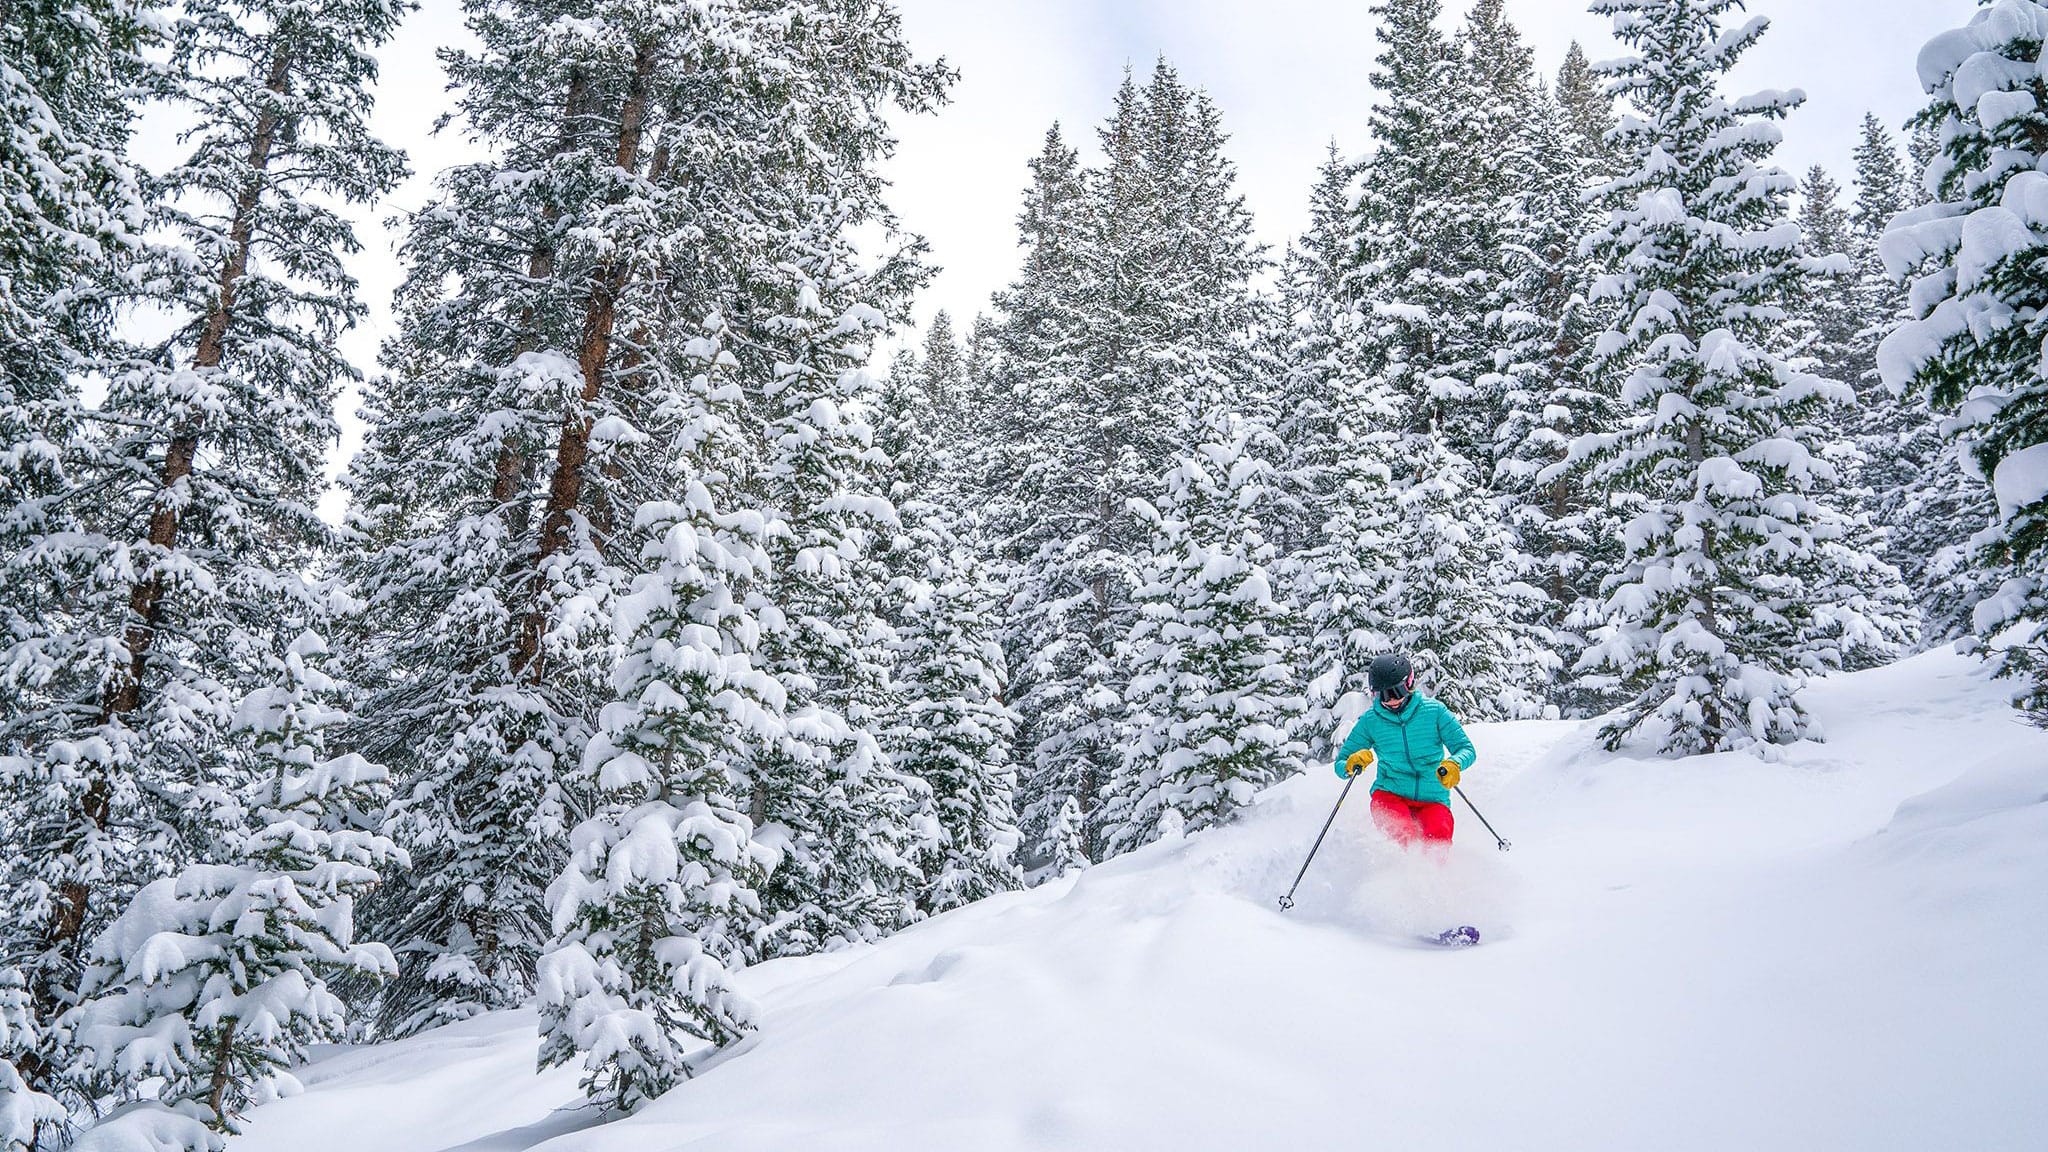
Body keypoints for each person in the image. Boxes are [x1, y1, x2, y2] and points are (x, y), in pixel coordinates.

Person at [1331, 652, 1476, 851]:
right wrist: (1350, 764)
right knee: (1403, 834)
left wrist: (1454, 764)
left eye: (1396, 692)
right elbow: (1341, 765)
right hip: (1390, 794)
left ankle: (1433, 879)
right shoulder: (1371, 721)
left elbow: (1466, 749)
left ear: (1409, 684)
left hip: (1432, 798)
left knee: (1438, 839)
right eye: (1383, 695)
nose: (1391, 700)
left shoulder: (1435, 712)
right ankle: (1396, 877)